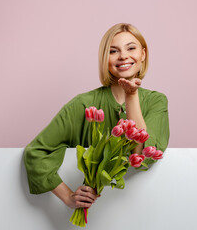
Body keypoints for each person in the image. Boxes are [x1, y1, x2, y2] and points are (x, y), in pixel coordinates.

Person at [23, 23, 170, 210]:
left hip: (142, 209)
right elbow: (36, 152)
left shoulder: (156, 101)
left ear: (143, 54)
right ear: (104, 58)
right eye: (113, 51)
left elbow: (140, 155)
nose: (123, 56)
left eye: (131, 48)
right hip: (89, 215)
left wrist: (131, 95)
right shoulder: (83, 104)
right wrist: (68, 197)